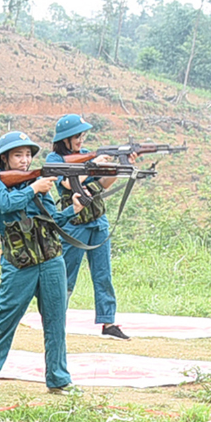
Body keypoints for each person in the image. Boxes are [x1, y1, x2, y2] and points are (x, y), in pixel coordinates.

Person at [0, 131, 84, 394]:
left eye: (27, 155)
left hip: (50, 259)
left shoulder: (37, 183)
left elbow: (53, 220)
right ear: (4, 159)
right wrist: (34, 188)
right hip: (19, 263)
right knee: (6, 319)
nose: (24, 160)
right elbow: (4, 203)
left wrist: (73, 209)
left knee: (56, 320)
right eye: (18, 155)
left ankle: (59, 379)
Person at [47, 114, 134, 340]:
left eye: (82, 135)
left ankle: (108, 322)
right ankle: (56, 321)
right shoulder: (55, 159)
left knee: (103, 274)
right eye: (77, 136)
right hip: (74, 224)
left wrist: (120, 165)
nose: (81, 139)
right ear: (65, 138)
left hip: (97, 220)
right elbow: (67, 182)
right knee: (65, 276)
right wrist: (93, 164)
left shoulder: (86, 155)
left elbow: (103, 184)